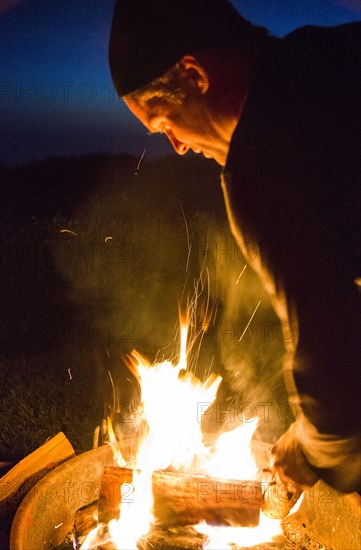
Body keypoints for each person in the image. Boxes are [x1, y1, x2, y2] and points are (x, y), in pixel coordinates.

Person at [108, 0, 361, 492]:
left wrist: (314, 447)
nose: (177, 146)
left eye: (164, 120)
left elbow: (333, 337)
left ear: (195, 74)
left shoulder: (264, 161)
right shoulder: (329, 56)